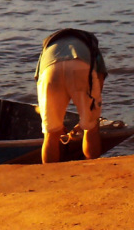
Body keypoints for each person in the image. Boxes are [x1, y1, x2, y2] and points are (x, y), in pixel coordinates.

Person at [34, 28, 108, 164]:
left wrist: (53, 121)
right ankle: (92, 167)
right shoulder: (90, 43)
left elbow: (38, 80)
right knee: (90, 128)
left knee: (50, 134)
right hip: (80, 65)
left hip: (49, 71)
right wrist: (89, 117)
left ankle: (49, 176)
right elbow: (100, 77)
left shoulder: (48, 46)